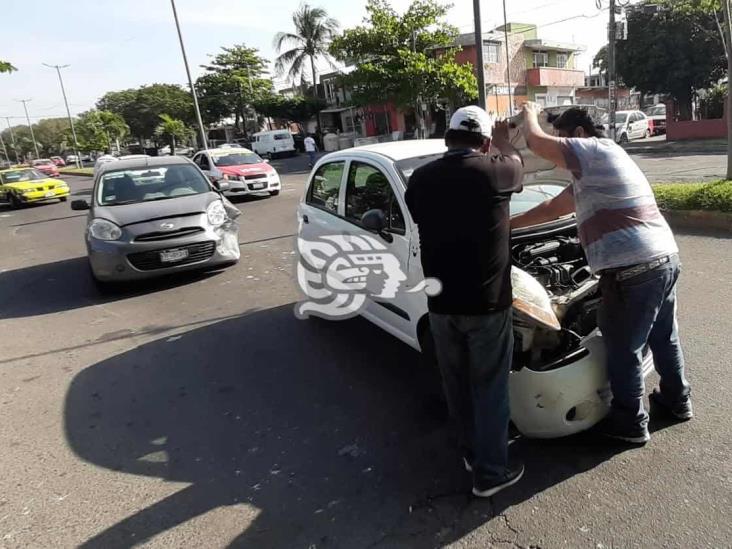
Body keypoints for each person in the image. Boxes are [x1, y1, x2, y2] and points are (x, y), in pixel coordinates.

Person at [511, 103, 692, 445]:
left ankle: (630, 422)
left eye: (564, 140)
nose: (562, 150)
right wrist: (507, 226)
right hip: (663, 259)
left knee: (624, 347)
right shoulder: (594, 170)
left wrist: (529, 113)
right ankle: (677, 399)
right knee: (663, 336)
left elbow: (536, 142)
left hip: (633, 269)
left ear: (579, 135)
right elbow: (552, 208)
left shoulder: (595, 149)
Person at [405, 106, 524, 497]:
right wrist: (505, 138)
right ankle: (490, 473)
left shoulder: (421, 179)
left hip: (440, 304)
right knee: (490, 387)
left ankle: (473, 453)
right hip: (487, 304)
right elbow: (515, 162)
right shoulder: (495, 170)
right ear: (486, 142)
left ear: (447, 138)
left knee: (456, 385)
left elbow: (422, 213)